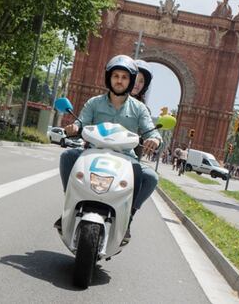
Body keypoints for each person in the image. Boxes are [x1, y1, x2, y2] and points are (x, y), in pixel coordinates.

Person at [55, 54, 162, 244]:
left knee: (151, 177)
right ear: (109, 78)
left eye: (124, 77)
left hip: (126, 159)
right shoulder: (94, 103)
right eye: (116, 76)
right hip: (93, 152)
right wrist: (75, 128)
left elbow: (149, 129)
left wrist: (154, 138)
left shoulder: (139, 108)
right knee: (68, 156)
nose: (119, 81)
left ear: (130, 81)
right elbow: (82, 122)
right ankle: (69, 206)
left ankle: (128, 217)